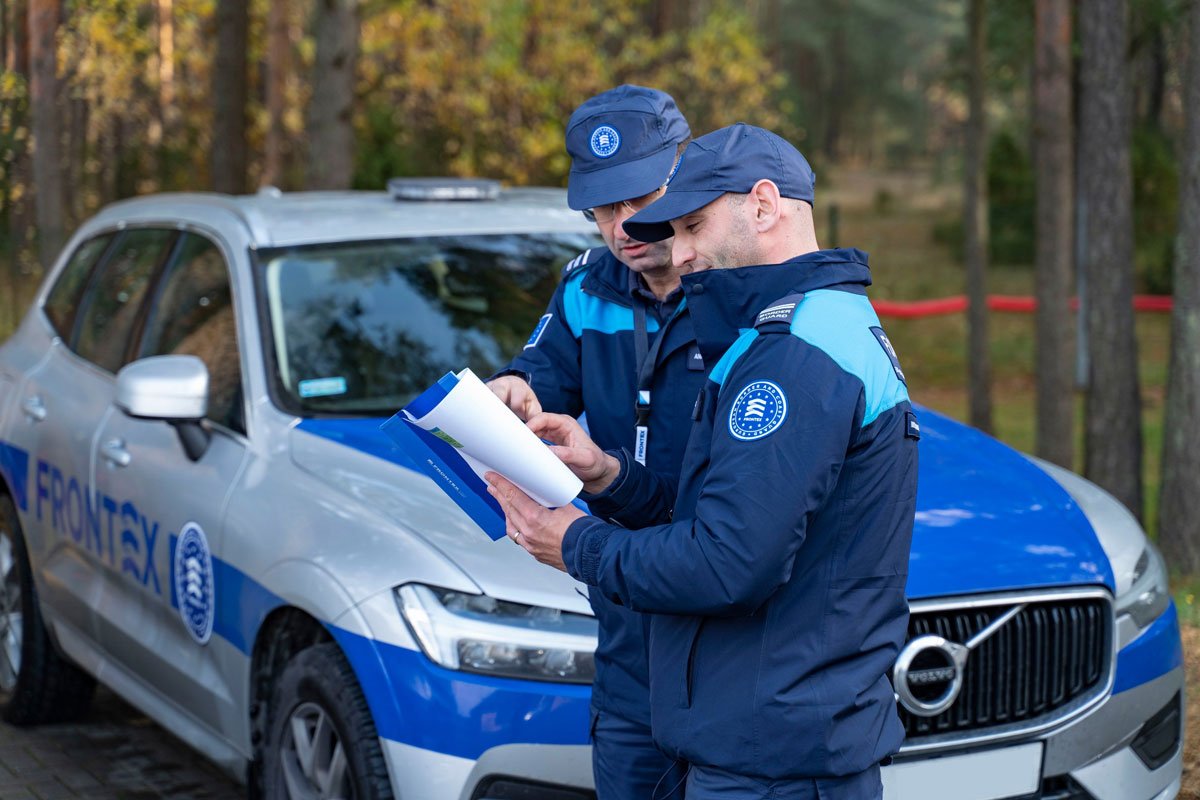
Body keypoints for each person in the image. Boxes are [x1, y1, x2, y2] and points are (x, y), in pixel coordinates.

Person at [487, 123, 919, 800]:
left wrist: (576, 543)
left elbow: (727, 564)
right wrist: (609, 475)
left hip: (775, 753)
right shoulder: (789, 332)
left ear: (765, 206)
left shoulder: (796, 354)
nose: (679, 254)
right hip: (758, 736)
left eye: (693, 226)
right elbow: (720, 515)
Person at [487, 85, 697, 799]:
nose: (622, 226)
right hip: (624, 628)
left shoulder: (741, 292)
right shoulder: (586, 285)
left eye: (640, 198)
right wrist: (515, 392)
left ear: (684, 170)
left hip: (728, 630)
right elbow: (539, 377)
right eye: (604, 207)